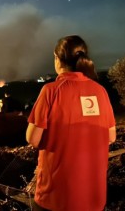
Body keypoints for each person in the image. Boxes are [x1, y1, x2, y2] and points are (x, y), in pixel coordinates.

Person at [26, 35, 116, 211]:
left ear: (57, 58)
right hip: (94, 199)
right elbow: (111, 136)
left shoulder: (50, 91)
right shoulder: (101, 91)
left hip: (55, 198)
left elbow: (33, 138)